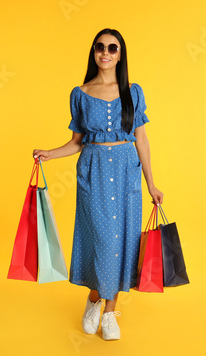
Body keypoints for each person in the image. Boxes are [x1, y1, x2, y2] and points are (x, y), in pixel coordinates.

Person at [33, 28, 163, 341]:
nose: (105, 53)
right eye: (99, 47)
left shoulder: (133, 91)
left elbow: (142, 139)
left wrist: (151, 183)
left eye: (112, 48)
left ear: (121, 54)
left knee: (123, 242)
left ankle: (109, 313)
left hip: (126, 173)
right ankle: (94, 299)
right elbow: (77, 142)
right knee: (100, 239)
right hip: (92, 172)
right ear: (94, 52)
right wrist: (50, 153)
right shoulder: (80, 92)